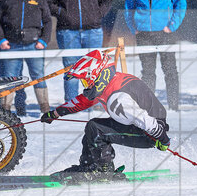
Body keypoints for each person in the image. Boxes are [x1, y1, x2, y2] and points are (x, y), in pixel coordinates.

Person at [40, 49, 170, 181]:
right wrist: (55, 113)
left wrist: (163, 139)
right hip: (146, 126)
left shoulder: (118, 97)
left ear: (98, 75)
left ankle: (103, 170)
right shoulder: (110, 84)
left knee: (95, 128)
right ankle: (88, 166)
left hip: (149, 132)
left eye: (87, 81)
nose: (87, 86)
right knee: (92, 131)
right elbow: (83, 101)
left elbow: (144, 119)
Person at [45, 0, 113, 102]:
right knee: (71, 69)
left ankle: (95, 101)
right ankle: (72, 102)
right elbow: (47, 2)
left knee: (94, 68)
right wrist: (62, 13)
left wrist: (98, 14)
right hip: (67, 32)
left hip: (93, 31)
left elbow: (107, 0)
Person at [123, 0, 186, 111]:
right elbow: (128, 7)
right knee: (148, 72)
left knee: (170, 70)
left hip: (165, 33)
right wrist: (133, 27)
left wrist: (171, 26)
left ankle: (174, 106)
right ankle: (148, 107)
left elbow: (181, 3)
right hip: (144, 34)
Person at [0, 0, 53, 114]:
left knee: (38, 77)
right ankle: (4, 110)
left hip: (34, 45)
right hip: (12, 46)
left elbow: (48, 22)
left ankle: (45, 110)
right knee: (10, 79)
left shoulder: (39, 0)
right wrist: (1, 39)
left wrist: (44, 41)